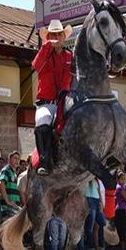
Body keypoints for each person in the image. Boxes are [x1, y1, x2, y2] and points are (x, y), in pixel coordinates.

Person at [32, 19, 73, 175]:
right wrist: (48, 45)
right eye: (52, 35)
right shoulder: (44, 53)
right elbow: (36, 66)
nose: (56, 37)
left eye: (58, 34)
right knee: (42, 124)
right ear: (48, 37)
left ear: (63, 36)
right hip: (46, 104)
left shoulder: (70, 55)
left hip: (66, 101)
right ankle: (45, 161)